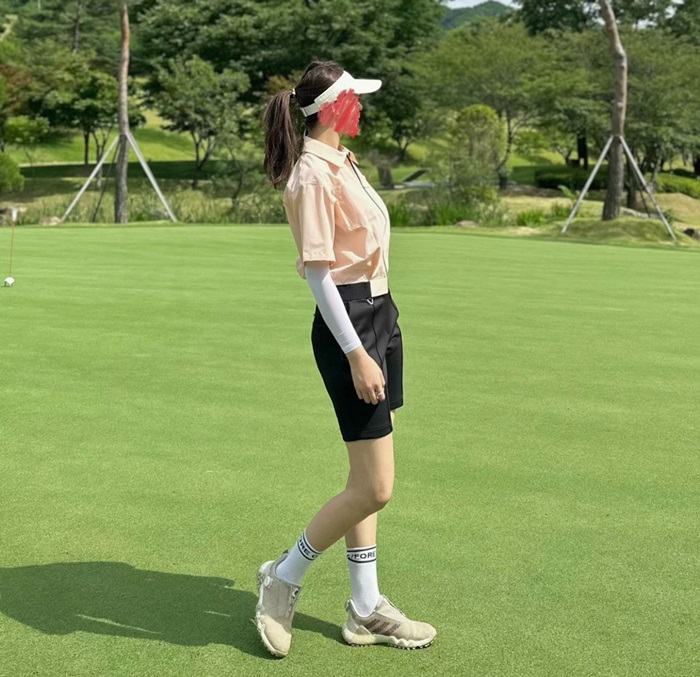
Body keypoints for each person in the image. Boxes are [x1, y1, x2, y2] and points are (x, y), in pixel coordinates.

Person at [256, 60, 436, 658]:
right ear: (334, 106)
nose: (361, 106)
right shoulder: (311, 174)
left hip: (380, 315)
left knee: (365, 480)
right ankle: (283, 576)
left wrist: (377, 334)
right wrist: (357, 352)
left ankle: (364, 606)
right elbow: (319, 275)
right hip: (350, 326)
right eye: (355, 98)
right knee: (377, 488)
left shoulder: (342, 160)